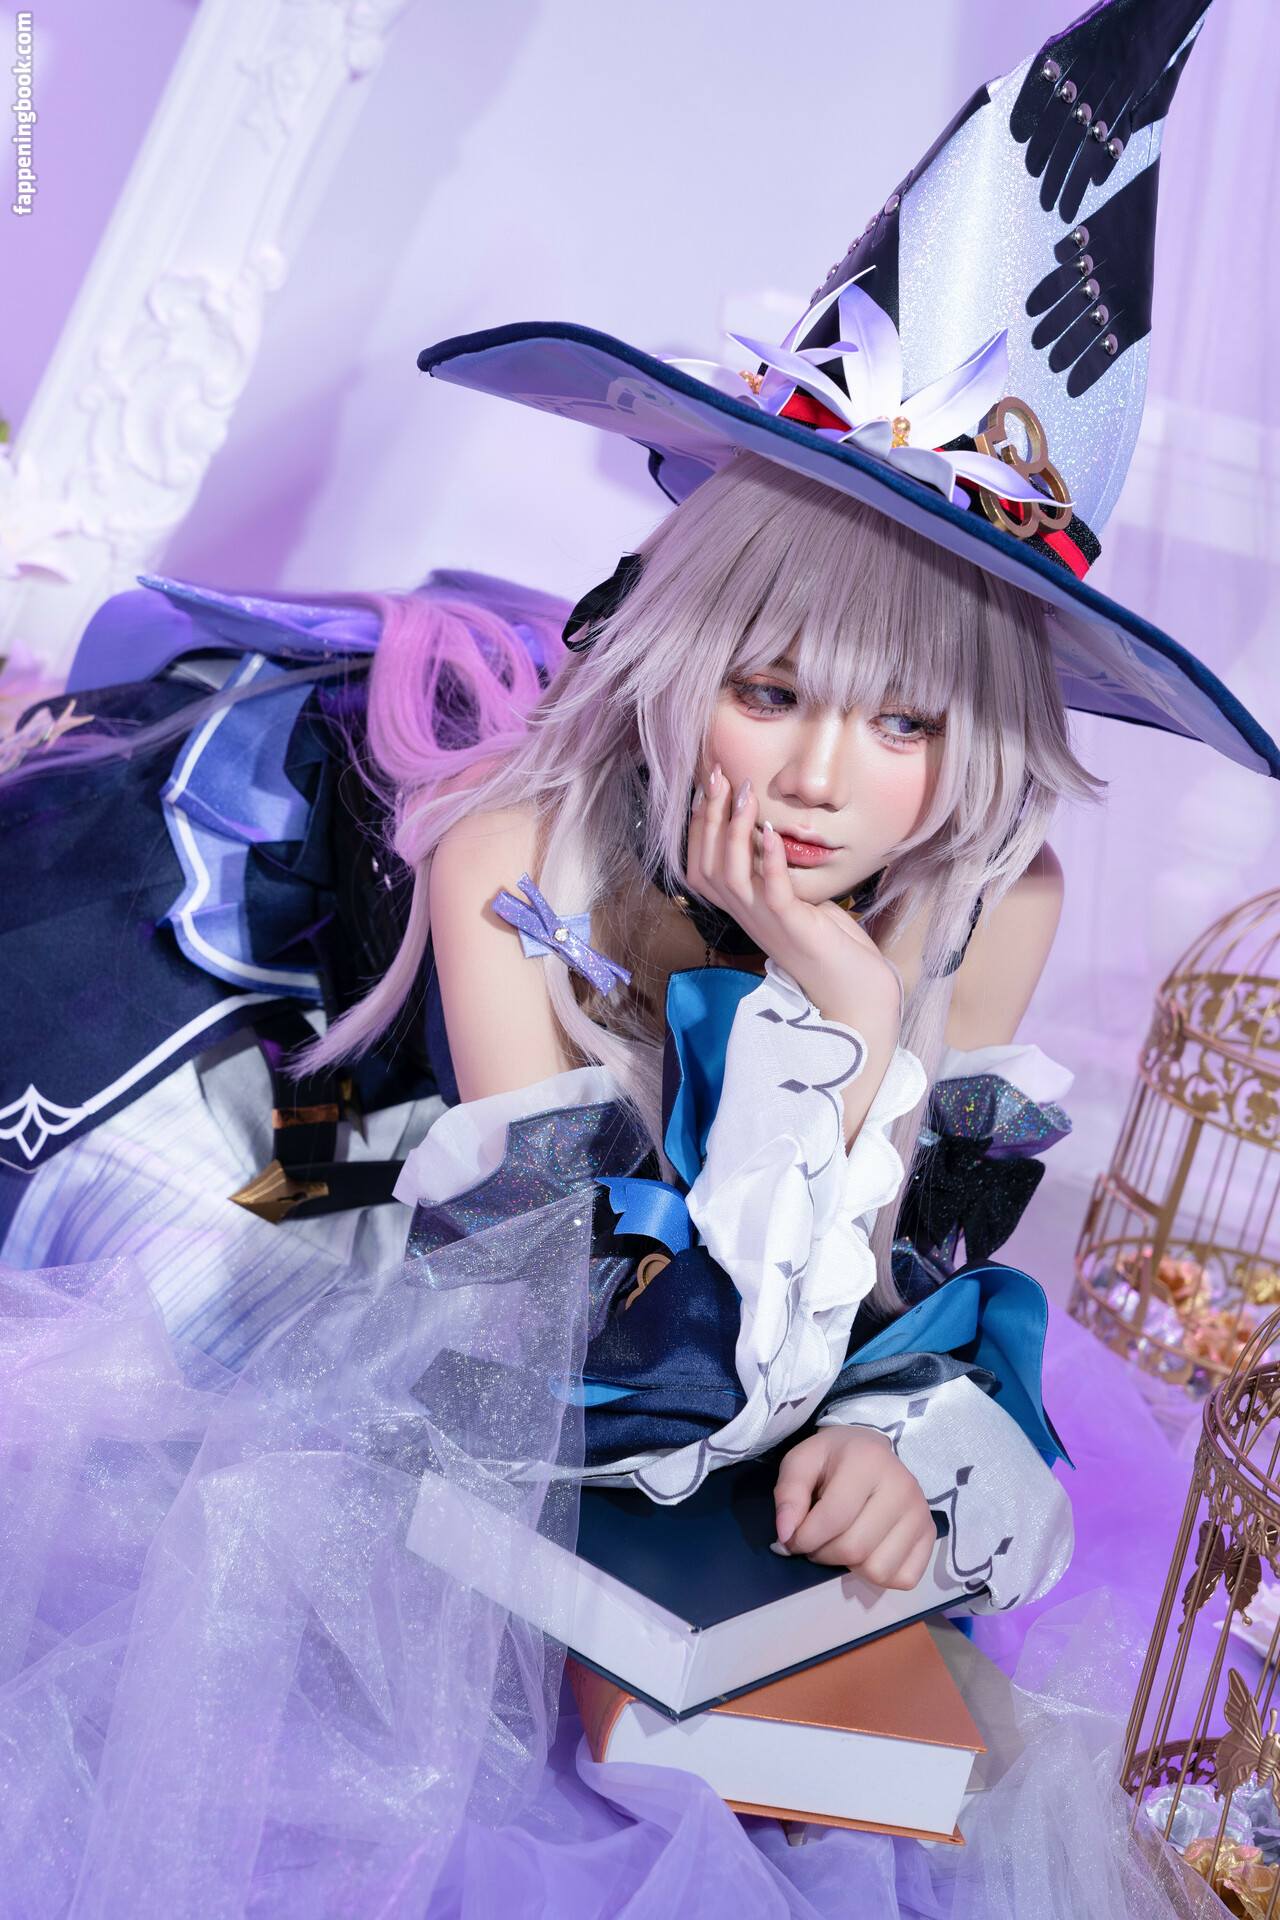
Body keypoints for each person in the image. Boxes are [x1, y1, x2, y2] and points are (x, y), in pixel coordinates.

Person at [0, 1, 1273, 1913]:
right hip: (359, 1161)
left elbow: (905, 1287)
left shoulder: (994, 897)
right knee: (226, 1467)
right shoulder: (512, 852)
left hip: (649, 1319)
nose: (827, 782)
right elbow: (540, 1343)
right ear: (686, 659)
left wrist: (903, 1431)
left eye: (909, 725)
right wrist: (842, 1029)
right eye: (770, 690)